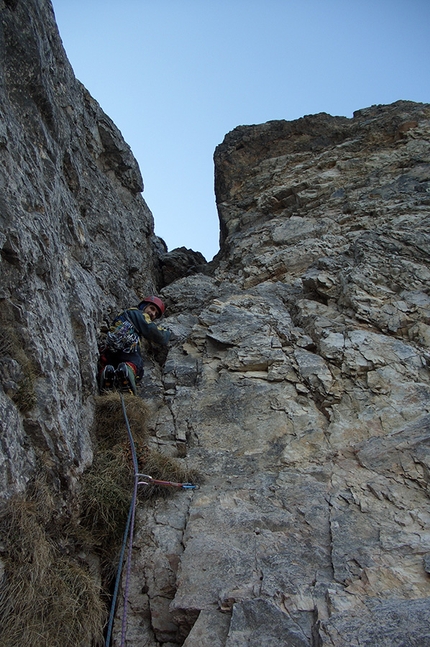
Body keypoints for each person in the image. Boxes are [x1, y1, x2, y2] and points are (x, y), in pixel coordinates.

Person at [98, 295, 170, 394]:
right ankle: (126, 372)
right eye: (152, 308)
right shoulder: (138, 314)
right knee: (137, 363)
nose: (153, 314)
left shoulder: (124, 315)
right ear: (144, 306)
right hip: (127, 348)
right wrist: (167, 334)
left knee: (110, 365)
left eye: (156, 314)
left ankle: (106, 373)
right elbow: (155, 332)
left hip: (110, 349)